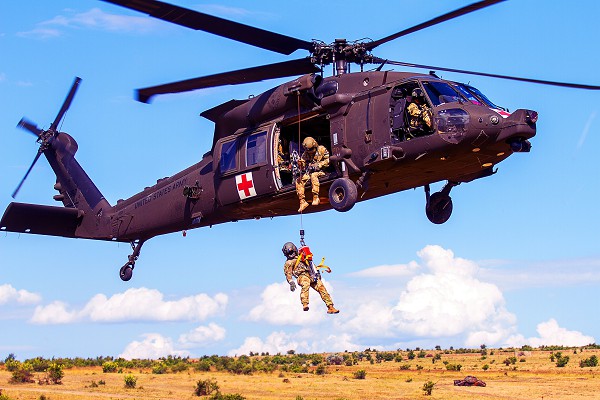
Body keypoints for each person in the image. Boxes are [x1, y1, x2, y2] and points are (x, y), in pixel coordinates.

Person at [282, 241, 339, 314]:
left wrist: (317, 272)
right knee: (306, 284)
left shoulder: (303, 256)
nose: (290, 255)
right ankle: (305, 303)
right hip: (302, 276)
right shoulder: (289, 262)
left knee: (322, 288)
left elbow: (310, 264)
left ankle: (330, 307)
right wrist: (291, 282)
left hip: (311, 274)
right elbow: (288, 274)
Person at [295, 136, 329, 212]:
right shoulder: (306, 153)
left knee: (314, 176)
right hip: (310, 172)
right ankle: (302, 202)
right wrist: (300, 164)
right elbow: (303, 164)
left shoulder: (322, 149)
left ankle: (316, 197)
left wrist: (319, 165)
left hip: (322, 171)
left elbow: (328, 160)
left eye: (311, 150)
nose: (310, 152)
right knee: (299, 180)